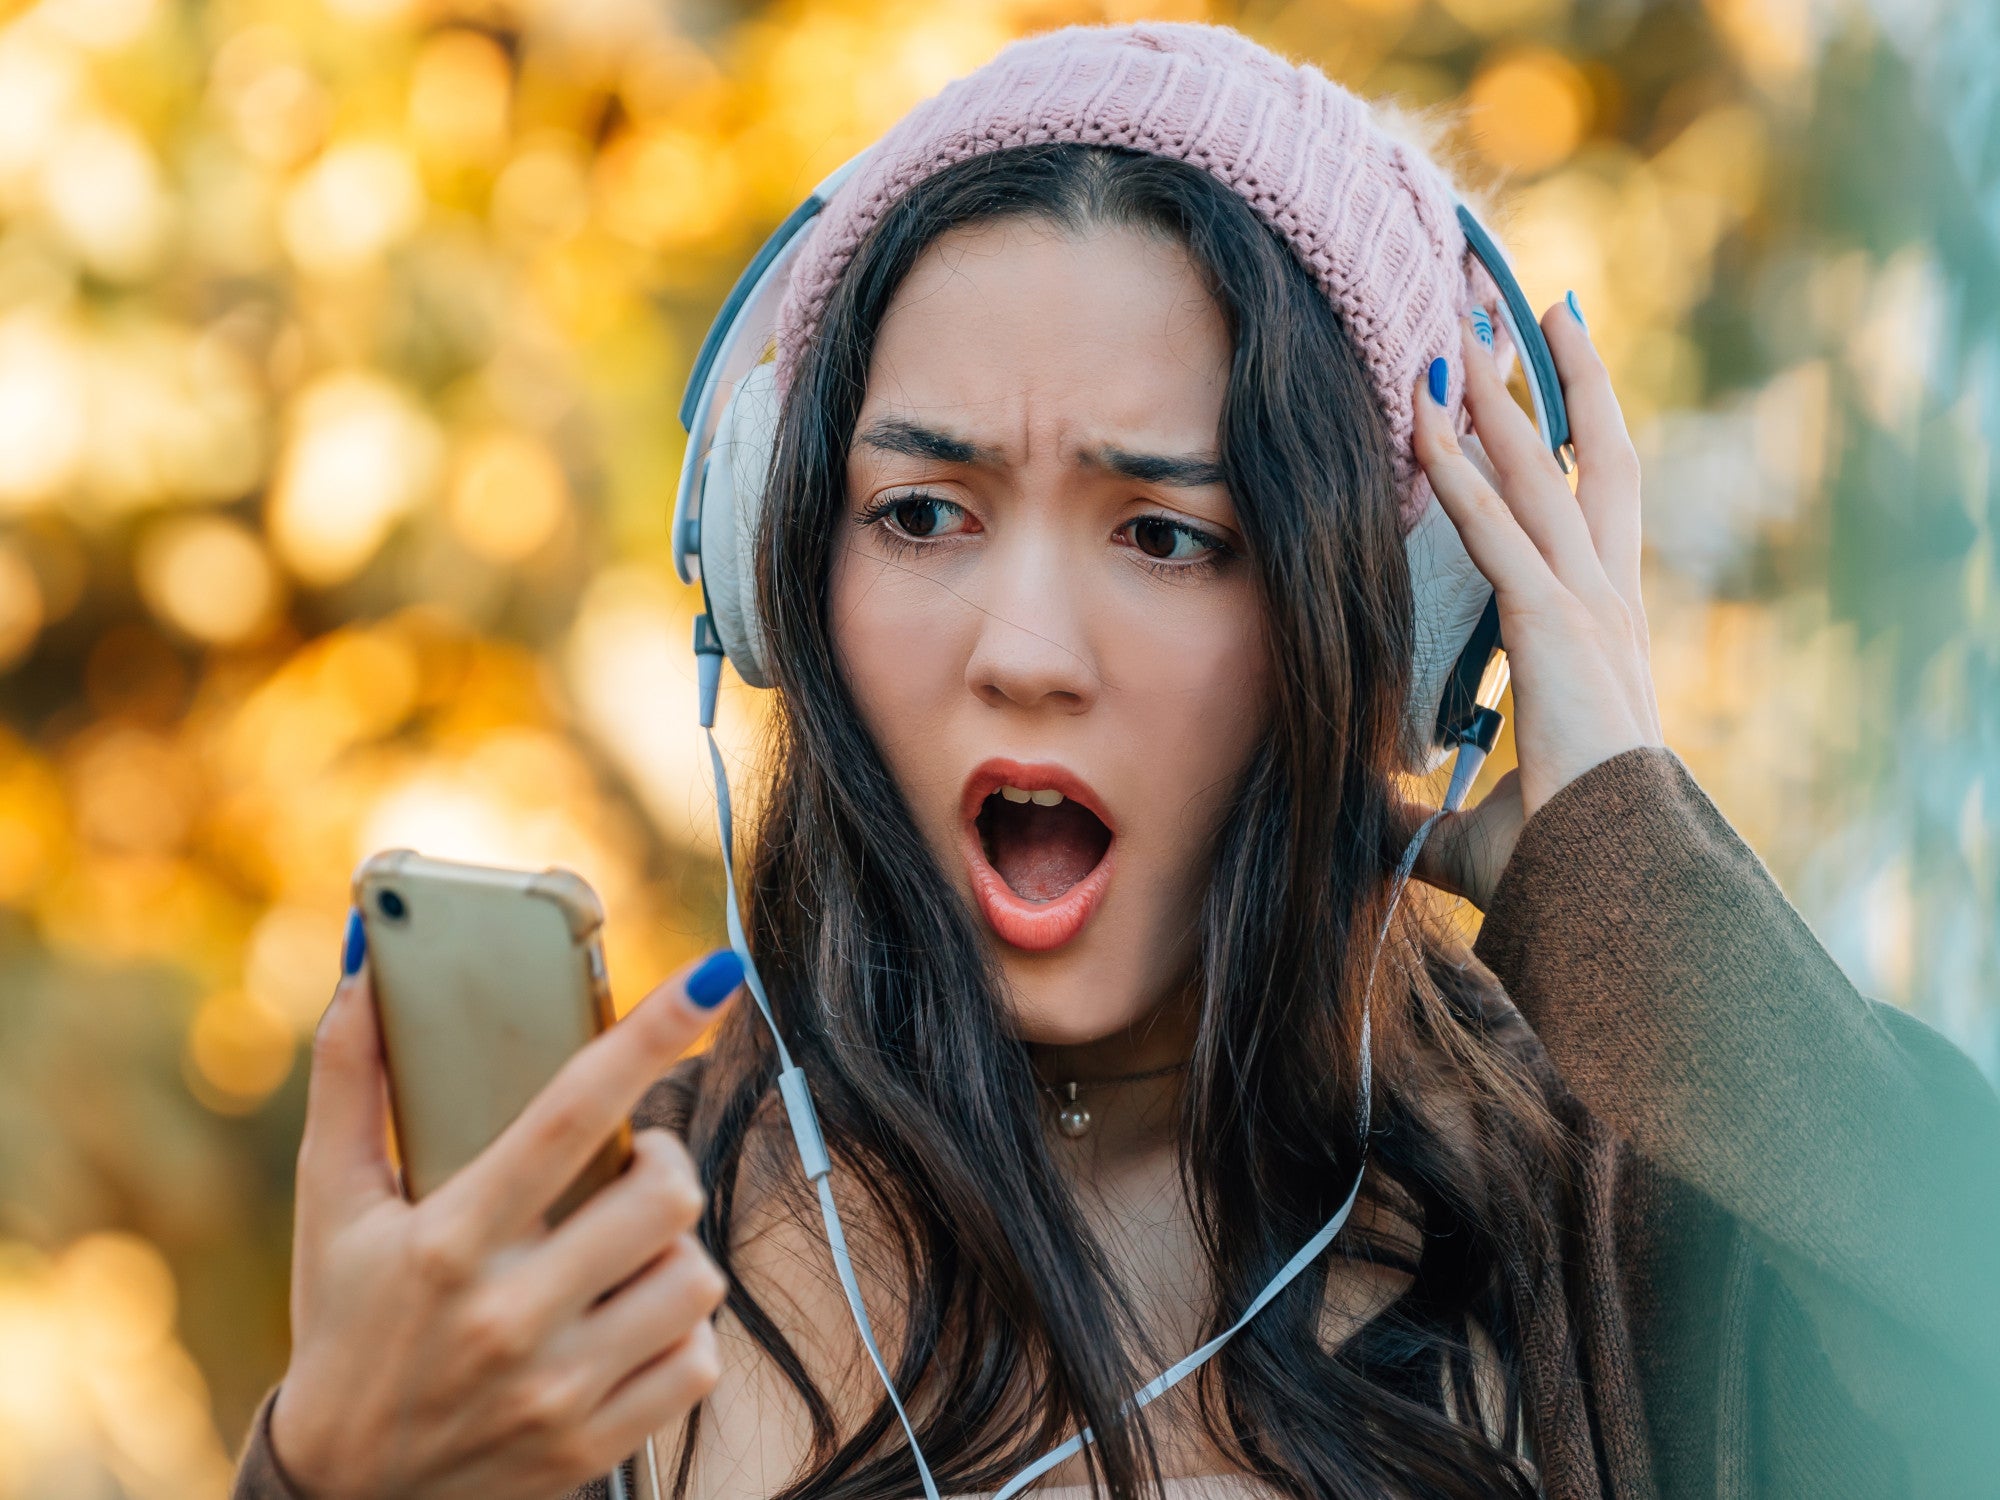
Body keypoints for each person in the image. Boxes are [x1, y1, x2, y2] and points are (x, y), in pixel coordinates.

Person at [229, 22, 2000, 1500]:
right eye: (920, 512)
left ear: (1389, 622)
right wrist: (331, 1476)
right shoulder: (608, 1275)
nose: (1021, 650)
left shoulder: (1610, 1221)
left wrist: (1632, 884)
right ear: (783, 578)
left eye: (1165, 534)